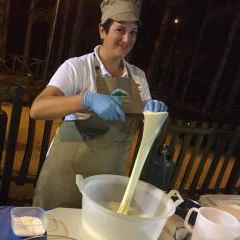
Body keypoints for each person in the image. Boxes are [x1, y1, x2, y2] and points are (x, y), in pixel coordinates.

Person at [30, 0, 167, 208]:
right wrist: (85, 99)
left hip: (108, 181)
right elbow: (38, 109)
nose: (126, 39)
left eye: (133, 32)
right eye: (120, 30)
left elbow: (148, 129)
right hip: (67, 175)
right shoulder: (77, 68)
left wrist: (154, 117)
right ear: (102, 31)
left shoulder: (138, 77)